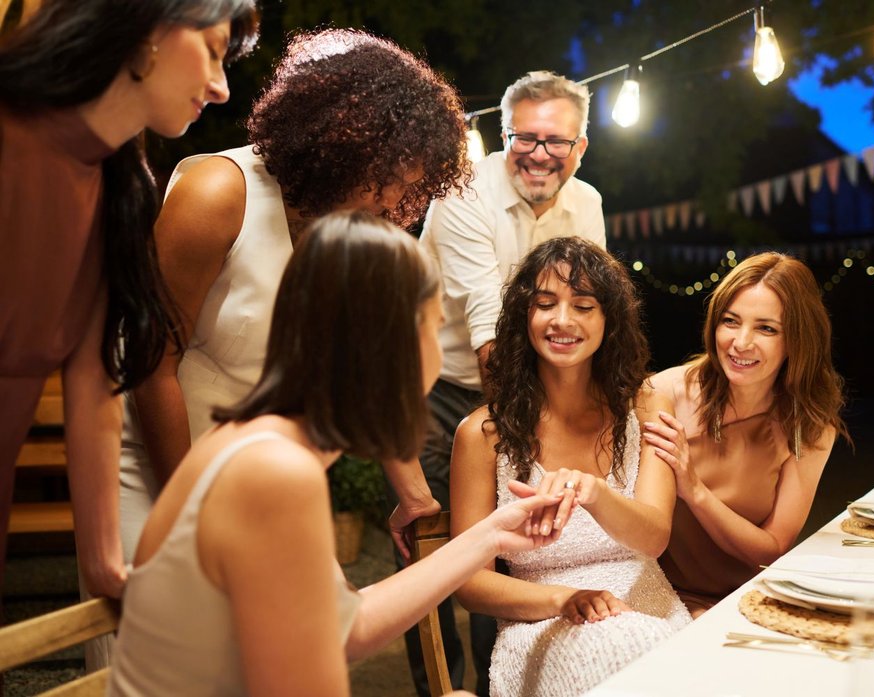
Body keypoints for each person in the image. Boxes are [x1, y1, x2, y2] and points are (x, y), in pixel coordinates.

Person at [107, 211, 566, 697]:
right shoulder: (277, 472)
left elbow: (347, 626)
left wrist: (492, 534)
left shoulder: (258, 443)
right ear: (390, 343)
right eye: (433, 326)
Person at [118, 28, 469, 571]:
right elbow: (150, 363)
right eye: (388, 180)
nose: (398, 201)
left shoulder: (357, 235)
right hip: (157, 466)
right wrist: (188, 514)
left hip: (261, 476)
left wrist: (415, 496)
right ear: (342, 148)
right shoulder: (219, 194)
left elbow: (371, 375)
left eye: (410, 187)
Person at [0, 0, 259, 608]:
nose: (222, 90)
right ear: (149, 30)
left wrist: (104, 561)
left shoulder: (120, 184)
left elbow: (95, 380)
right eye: (215, 52)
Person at [412, 69, 605, 696]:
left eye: (557, 141)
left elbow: (589, 314)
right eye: (527, 137)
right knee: (437, 553)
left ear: (581, 147)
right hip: (445, 388)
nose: (540, 154)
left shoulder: (589, 204)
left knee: (513, 551)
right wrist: (542, 431)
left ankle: (505, 683)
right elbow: (492, 332)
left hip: (538, 390)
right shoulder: (462, 191)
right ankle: (442, 688)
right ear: (503, 136)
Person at [451, 237, 692, 697]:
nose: (563, 320)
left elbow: (654, 537)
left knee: (645, 653)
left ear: (609, 321)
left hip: (648, 611)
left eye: (583, 306)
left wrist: (596, 494)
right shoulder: (483, 433)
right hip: (541, 624)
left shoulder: (645, 406)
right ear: (525, 316)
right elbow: (469, 582)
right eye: (545, 304)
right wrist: (564, 600)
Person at [645, 252, 850, 617]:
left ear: (797, 340)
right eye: (730, 321)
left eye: (766, 328)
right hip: (662, 597)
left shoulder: (811, 424)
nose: (741, 342)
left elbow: (771, 548)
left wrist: (694, 490)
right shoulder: (664, 393)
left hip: (753, 599)